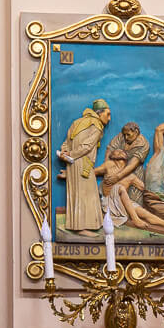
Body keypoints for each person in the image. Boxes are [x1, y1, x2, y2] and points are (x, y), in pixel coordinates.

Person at [56, 100, 109, 235]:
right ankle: (82, 228)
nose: (109, 118)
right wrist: (71, 154)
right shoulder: (96, 126)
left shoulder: (77, 122)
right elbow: (87, 146)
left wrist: (65, 153)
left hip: (71, 164)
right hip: (83, 163)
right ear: (99, 113)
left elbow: (66, 143)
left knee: (76, 193)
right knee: (87, 194)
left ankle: (78, 226)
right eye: (107, 114)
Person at [98, 120, 151, 226]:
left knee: (135, 202)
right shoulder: (121, 136)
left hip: (133, 171)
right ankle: (133, 218)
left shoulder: (143, 144)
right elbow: (110, 149)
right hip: (114, 180)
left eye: (128, 135)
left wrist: (117, 176)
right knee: (122, 194)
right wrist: (107, 167)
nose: (126, 137)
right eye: (124, 135)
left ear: (136, 132)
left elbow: (133, 164)